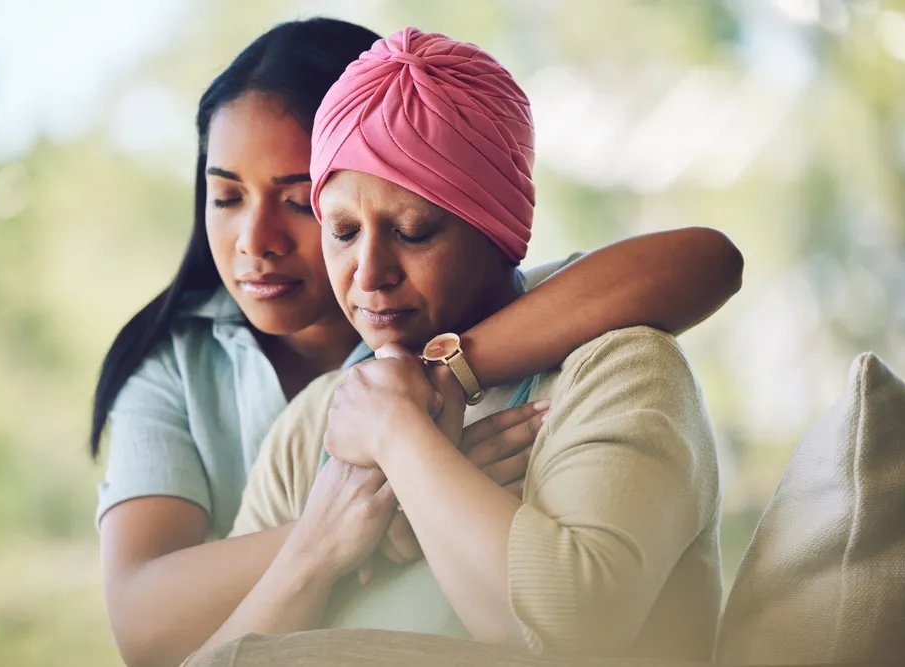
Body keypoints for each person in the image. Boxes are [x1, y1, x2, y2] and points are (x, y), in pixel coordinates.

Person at [92, 18, 740, 667]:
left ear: (499, 231)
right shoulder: (315, 420)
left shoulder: (619, 370)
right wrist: (333, 538)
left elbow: (569, 632)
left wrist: (404, 438)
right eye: (342, 231)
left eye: (413, 229)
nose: (369, 274)